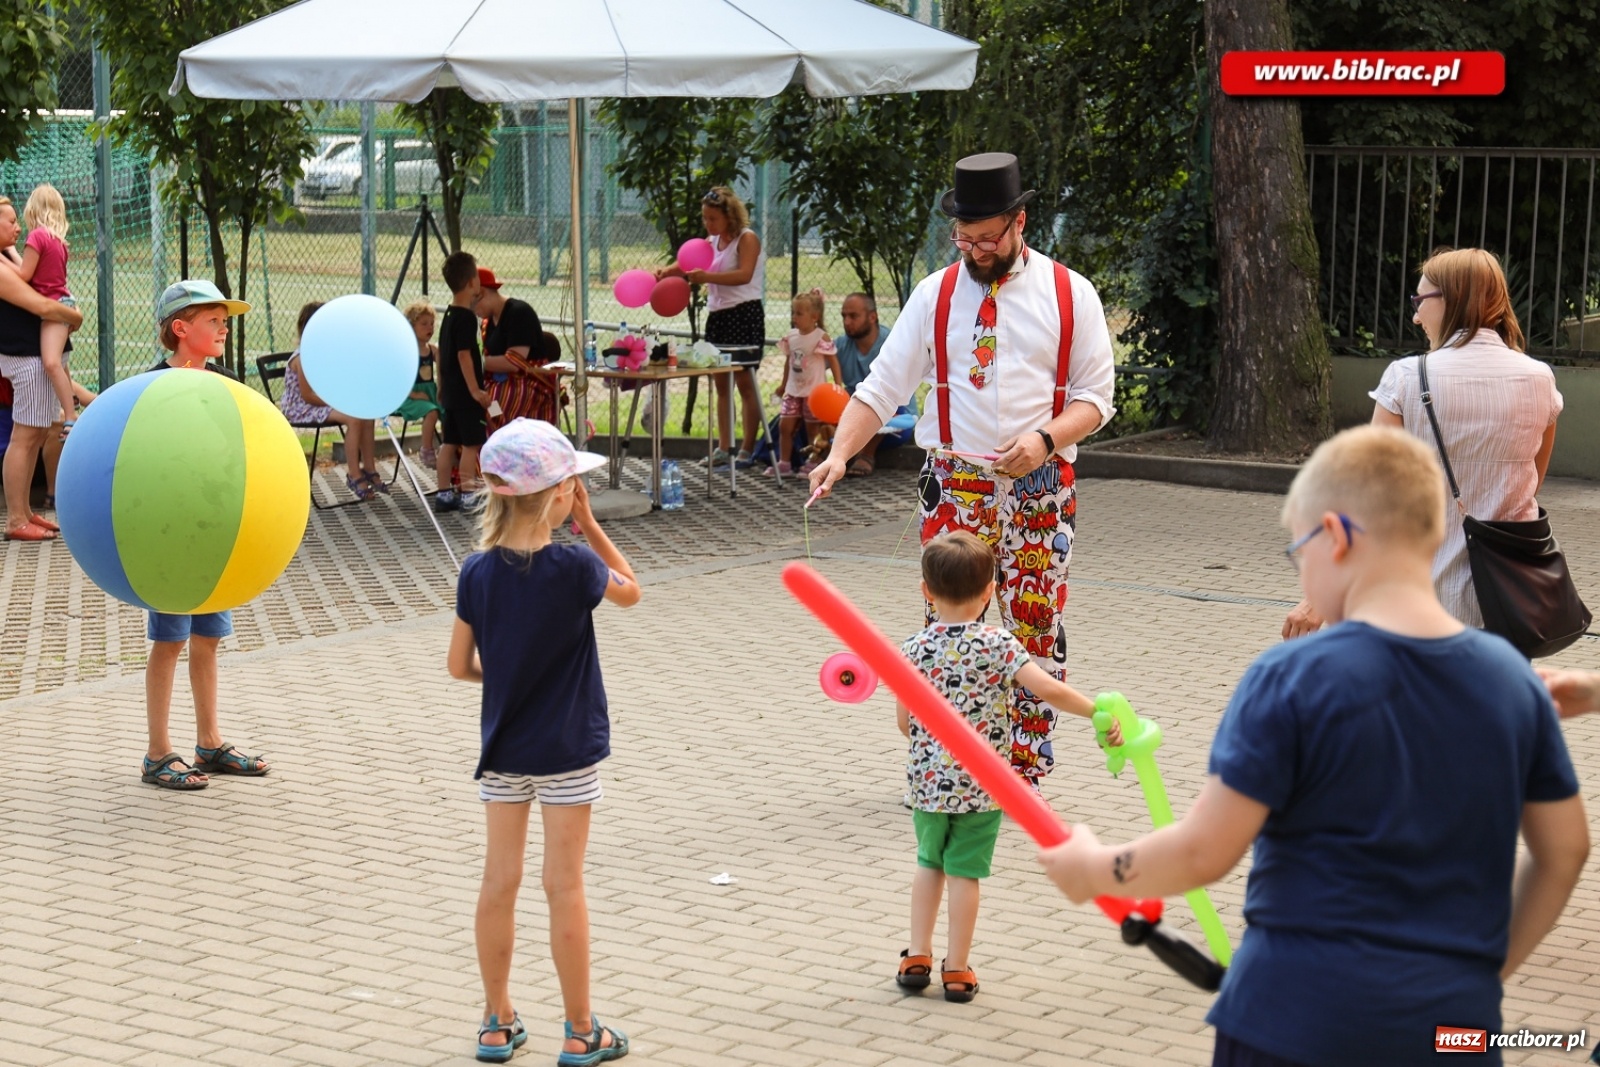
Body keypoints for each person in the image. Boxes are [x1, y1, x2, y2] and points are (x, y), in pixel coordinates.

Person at [1038, 426, 1588, 1067]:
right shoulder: (1512, 679)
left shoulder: (1291, 676)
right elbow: (1566, 851)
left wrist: (1094, 870)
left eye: (1299, 551)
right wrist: (1482, 974)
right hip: (1451, 1029)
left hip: (1290, 1019)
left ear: (1336, 535)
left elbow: (1203, 851)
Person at [809, 152, 1116, 787]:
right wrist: (839, 454)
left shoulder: (1070, 292)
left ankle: (1023, 772)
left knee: (1034, 624)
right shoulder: (934, 295)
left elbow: (1096, 399)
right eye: (964, 237)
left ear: (1020, 222)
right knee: (950, 627)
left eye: (988, 237)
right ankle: (949, 764)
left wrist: (1044, 440)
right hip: (954, 482)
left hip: (1040, 482)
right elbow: (878, 391)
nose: (975, 249)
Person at [447, 418, 638, 1065]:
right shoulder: (574, 563)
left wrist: (501, 677)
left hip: (504, 751)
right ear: (560, 494)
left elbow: (458, 664)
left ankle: (496, 1019)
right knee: (565, 884)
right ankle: (581, 1029)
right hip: (567, 752)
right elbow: (631, 591)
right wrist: (592, 526)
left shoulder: (477, 571)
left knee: (499, 881)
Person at [1284, 247, 1561, 638]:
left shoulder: (1407, 378)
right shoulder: (1540, 379)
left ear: (1452, 298)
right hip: (1511, 604)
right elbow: (1529, 487)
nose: (1415, 315)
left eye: (1419, 300)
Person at [895, 531, 1108, 1004]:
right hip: (981, 786)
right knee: (965, 872)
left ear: (926, 590)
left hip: (929, 785)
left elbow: (906, 723)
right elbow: (1048, 690)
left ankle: (916, 956)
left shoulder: (912, 648)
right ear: (991, 590)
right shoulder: (1000, 644)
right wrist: (1097, 711)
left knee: (929, 863)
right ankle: (956, 969)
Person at [140, 280, 273, 790]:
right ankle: (157, 753)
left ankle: (210, 742)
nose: (223, 328)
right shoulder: (153, 387)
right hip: (171, 534)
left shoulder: (225, 381)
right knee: (170, 640)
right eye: (213, 320)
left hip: (214, 532)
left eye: (225, 320)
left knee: (209, 637)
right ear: (181, 328)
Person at [656, 186, 766, 469]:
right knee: (720, 383)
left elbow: (744, 274)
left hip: (744, 315)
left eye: (713, 218)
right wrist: (666, 272)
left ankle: (746, 449)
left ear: (729, 216)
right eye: (705, 218)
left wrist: (706, 277)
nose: (708, 224)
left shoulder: (747, 239)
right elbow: (688, 263)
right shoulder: (711, 240)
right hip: (717, 317)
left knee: (745, 383)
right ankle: (724, 447)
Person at [0, 195, 84, 541]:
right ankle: (16, 519)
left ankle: (26, 512)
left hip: (32, 357)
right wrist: (73, 315)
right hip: (24, 359)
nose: (17, 227)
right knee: (24, 437)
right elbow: (39, 305)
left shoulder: (9, 256)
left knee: (34, 436)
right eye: (9, 221)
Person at [279, 301, 386, 499]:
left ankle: (369, 468)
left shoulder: (321, 354)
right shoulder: (303, 357)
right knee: (353, 419)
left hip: (318, 402)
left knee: (366, 414)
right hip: (302, 407)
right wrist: (338, 403)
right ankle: (354, 474)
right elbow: (307, 395)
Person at [8, 184, 78, 437]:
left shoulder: (36, 236)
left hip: (55, 308)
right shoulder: (58, 241)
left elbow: (25, 275)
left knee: (50, 362)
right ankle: (71, 399)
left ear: (33, 210)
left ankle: (70, 415)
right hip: (63, 301)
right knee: (59, 360)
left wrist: (4, 259)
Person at [835, 292, 912, 478]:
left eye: (853, 316)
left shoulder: (892, 343)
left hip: (895, 418)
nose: (847, 322)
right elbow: (816, 355)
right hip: (855, 410)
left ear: (872, 317)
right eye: (844, 316)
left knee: (881, 404)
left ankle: (866, 455)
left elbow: (895, 391)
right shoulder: (841, 345)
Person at [436, 251, 489, 513]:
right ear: (471, 283)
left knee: (449, 443)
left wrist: (441, 385)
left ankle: (444, 492)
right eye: (477, 277)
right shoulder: (467, 318)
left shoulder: (448, 315)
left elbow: (441, 355)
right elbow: (463, 355)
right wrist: (476, 390)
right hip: (466, 396)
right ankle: (468, 492)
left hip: (451, 394)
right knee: (471, 444)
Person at [766, 289, 841, 477]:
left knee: (812, 429)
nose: (794, 317)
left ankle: (813, 461)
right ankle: (784, 463)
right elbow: (788, 362)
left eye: (799, 313)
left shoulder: (819, 337)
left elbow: (833, 360)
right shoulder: (791, 337)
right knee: (785, 426)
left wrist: (837, 384)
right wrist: (783, 385)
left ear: (814, 316)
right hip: (793, 391)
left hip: (813, 393)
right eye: (793, 312)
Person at [474, 266, 556, 430]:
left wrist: (475, 362)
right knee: (470, 403)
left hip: (529, 383)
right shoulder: (488, 322)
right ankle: (475, 450)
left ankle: (498, 447)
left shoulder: (519, 312)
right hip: (500, 383)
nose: (473, 310)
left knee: (493, 405)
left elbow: (514, 362)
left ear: (481, 293)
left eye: (472, 303)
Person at [398, 301, 444, 468]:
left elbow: (441, 374)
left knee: (447, 410)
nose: (429, 328)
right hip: (410, 395)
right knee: (431, 412)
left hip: (430, 392)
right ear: (411, 326)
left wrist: (440, 390)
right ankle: (427, 449)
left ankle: (449, 448)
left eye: (432, 323)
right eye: (423, 324)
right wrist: (414, 394)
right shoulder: (407, 351)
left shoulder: (433, 350)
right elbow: (400, 379)